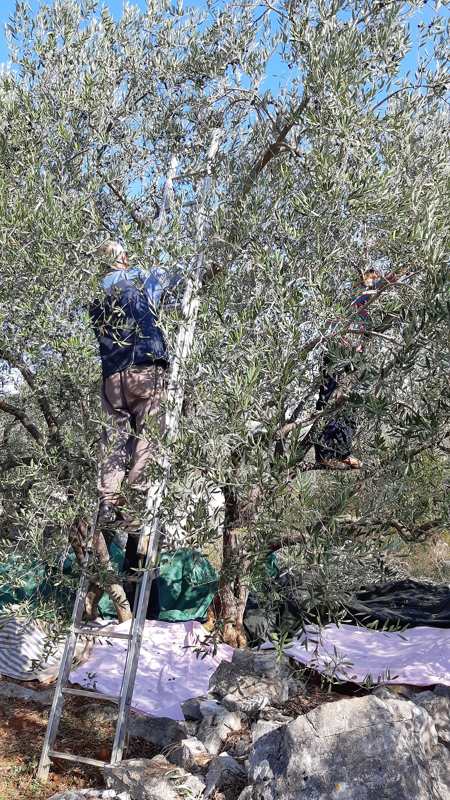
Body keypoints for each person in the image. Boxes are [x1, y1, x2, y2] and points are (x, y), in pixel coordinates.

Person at [90, 240, 179, 528]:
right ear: (124, 258)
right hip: (143, 369)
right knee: (150, 435)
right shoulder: (140, 278)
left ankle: (108, 502)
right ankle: (138, 494)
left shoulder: (94, 293)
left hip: (111, 380)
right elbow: (183, 279)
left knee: (113, 441)